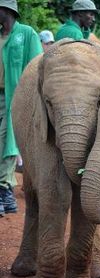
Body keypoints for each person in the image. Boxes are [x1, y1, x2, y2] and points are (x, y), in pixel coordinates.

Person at [0, 0, 43, 217]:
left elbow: (36, 67)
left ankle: (5, 188)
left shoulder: (26, 34)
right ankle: (5, 194)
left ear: (6, 10)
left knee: (8, 141)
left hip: (16, 97)